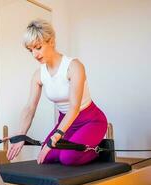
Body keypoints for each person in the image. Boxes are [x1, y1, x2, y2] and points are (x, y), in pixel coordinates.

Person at [6, 19, 108, 166]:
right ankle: (78, 146)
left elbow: (74, 107)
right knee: (45, 157)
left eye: (38, 47)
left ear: (51, 41)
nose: (35, 54)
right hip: (66, 122)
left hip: (90, 120)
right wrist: (21, 134)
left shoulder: (74, 66)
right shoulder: (38, 75)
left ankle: (97, 150)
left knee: (67, 158)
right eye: (31, 50)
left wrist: (55, 138)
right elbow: (30, 107)